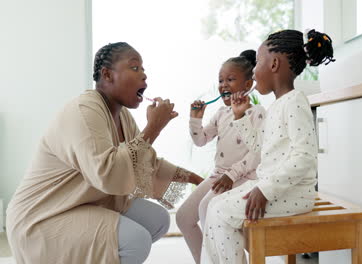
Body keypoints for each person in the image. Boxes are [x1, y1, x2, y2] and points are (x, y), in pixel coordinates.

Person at [6, 42, 203, 264]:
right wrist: (153, 127)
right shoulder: (85, 110)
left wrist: (197, 180)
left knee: (158, 220)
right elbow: (106, 172)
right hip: (43, 218)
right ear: (107, 74)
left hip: (83, 204)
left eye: (144, 69)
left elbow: (146, 163)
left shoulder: (123, 117)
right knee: (135, 240)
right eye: (135, 68)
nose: (144, 76)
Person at [200, 29, 335, 264]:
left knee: (220, 213)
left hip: (292, 193)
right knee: (214, 206)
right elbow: (260, 147)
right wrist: (240, 116)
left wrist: (266, 190)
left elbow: (304, 157)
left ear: (273, 64)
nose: (253, 70)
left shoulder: (295, 102)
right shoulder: (278, 105)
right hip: (274, 188)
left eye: (257, 62)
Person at [176, 50, 266, 264]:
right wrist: (195, 120)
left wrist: (232, 175)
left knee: (207, 209)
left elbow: (257, 154)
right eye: (221, 80)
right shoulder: (220, 114)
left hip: (242, 179)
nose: (223, 85)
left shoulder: (258, 113)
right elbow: (200, 140)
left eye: (230, 79)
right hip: (219, 177)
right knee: (183, 218)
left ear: (247, 85)